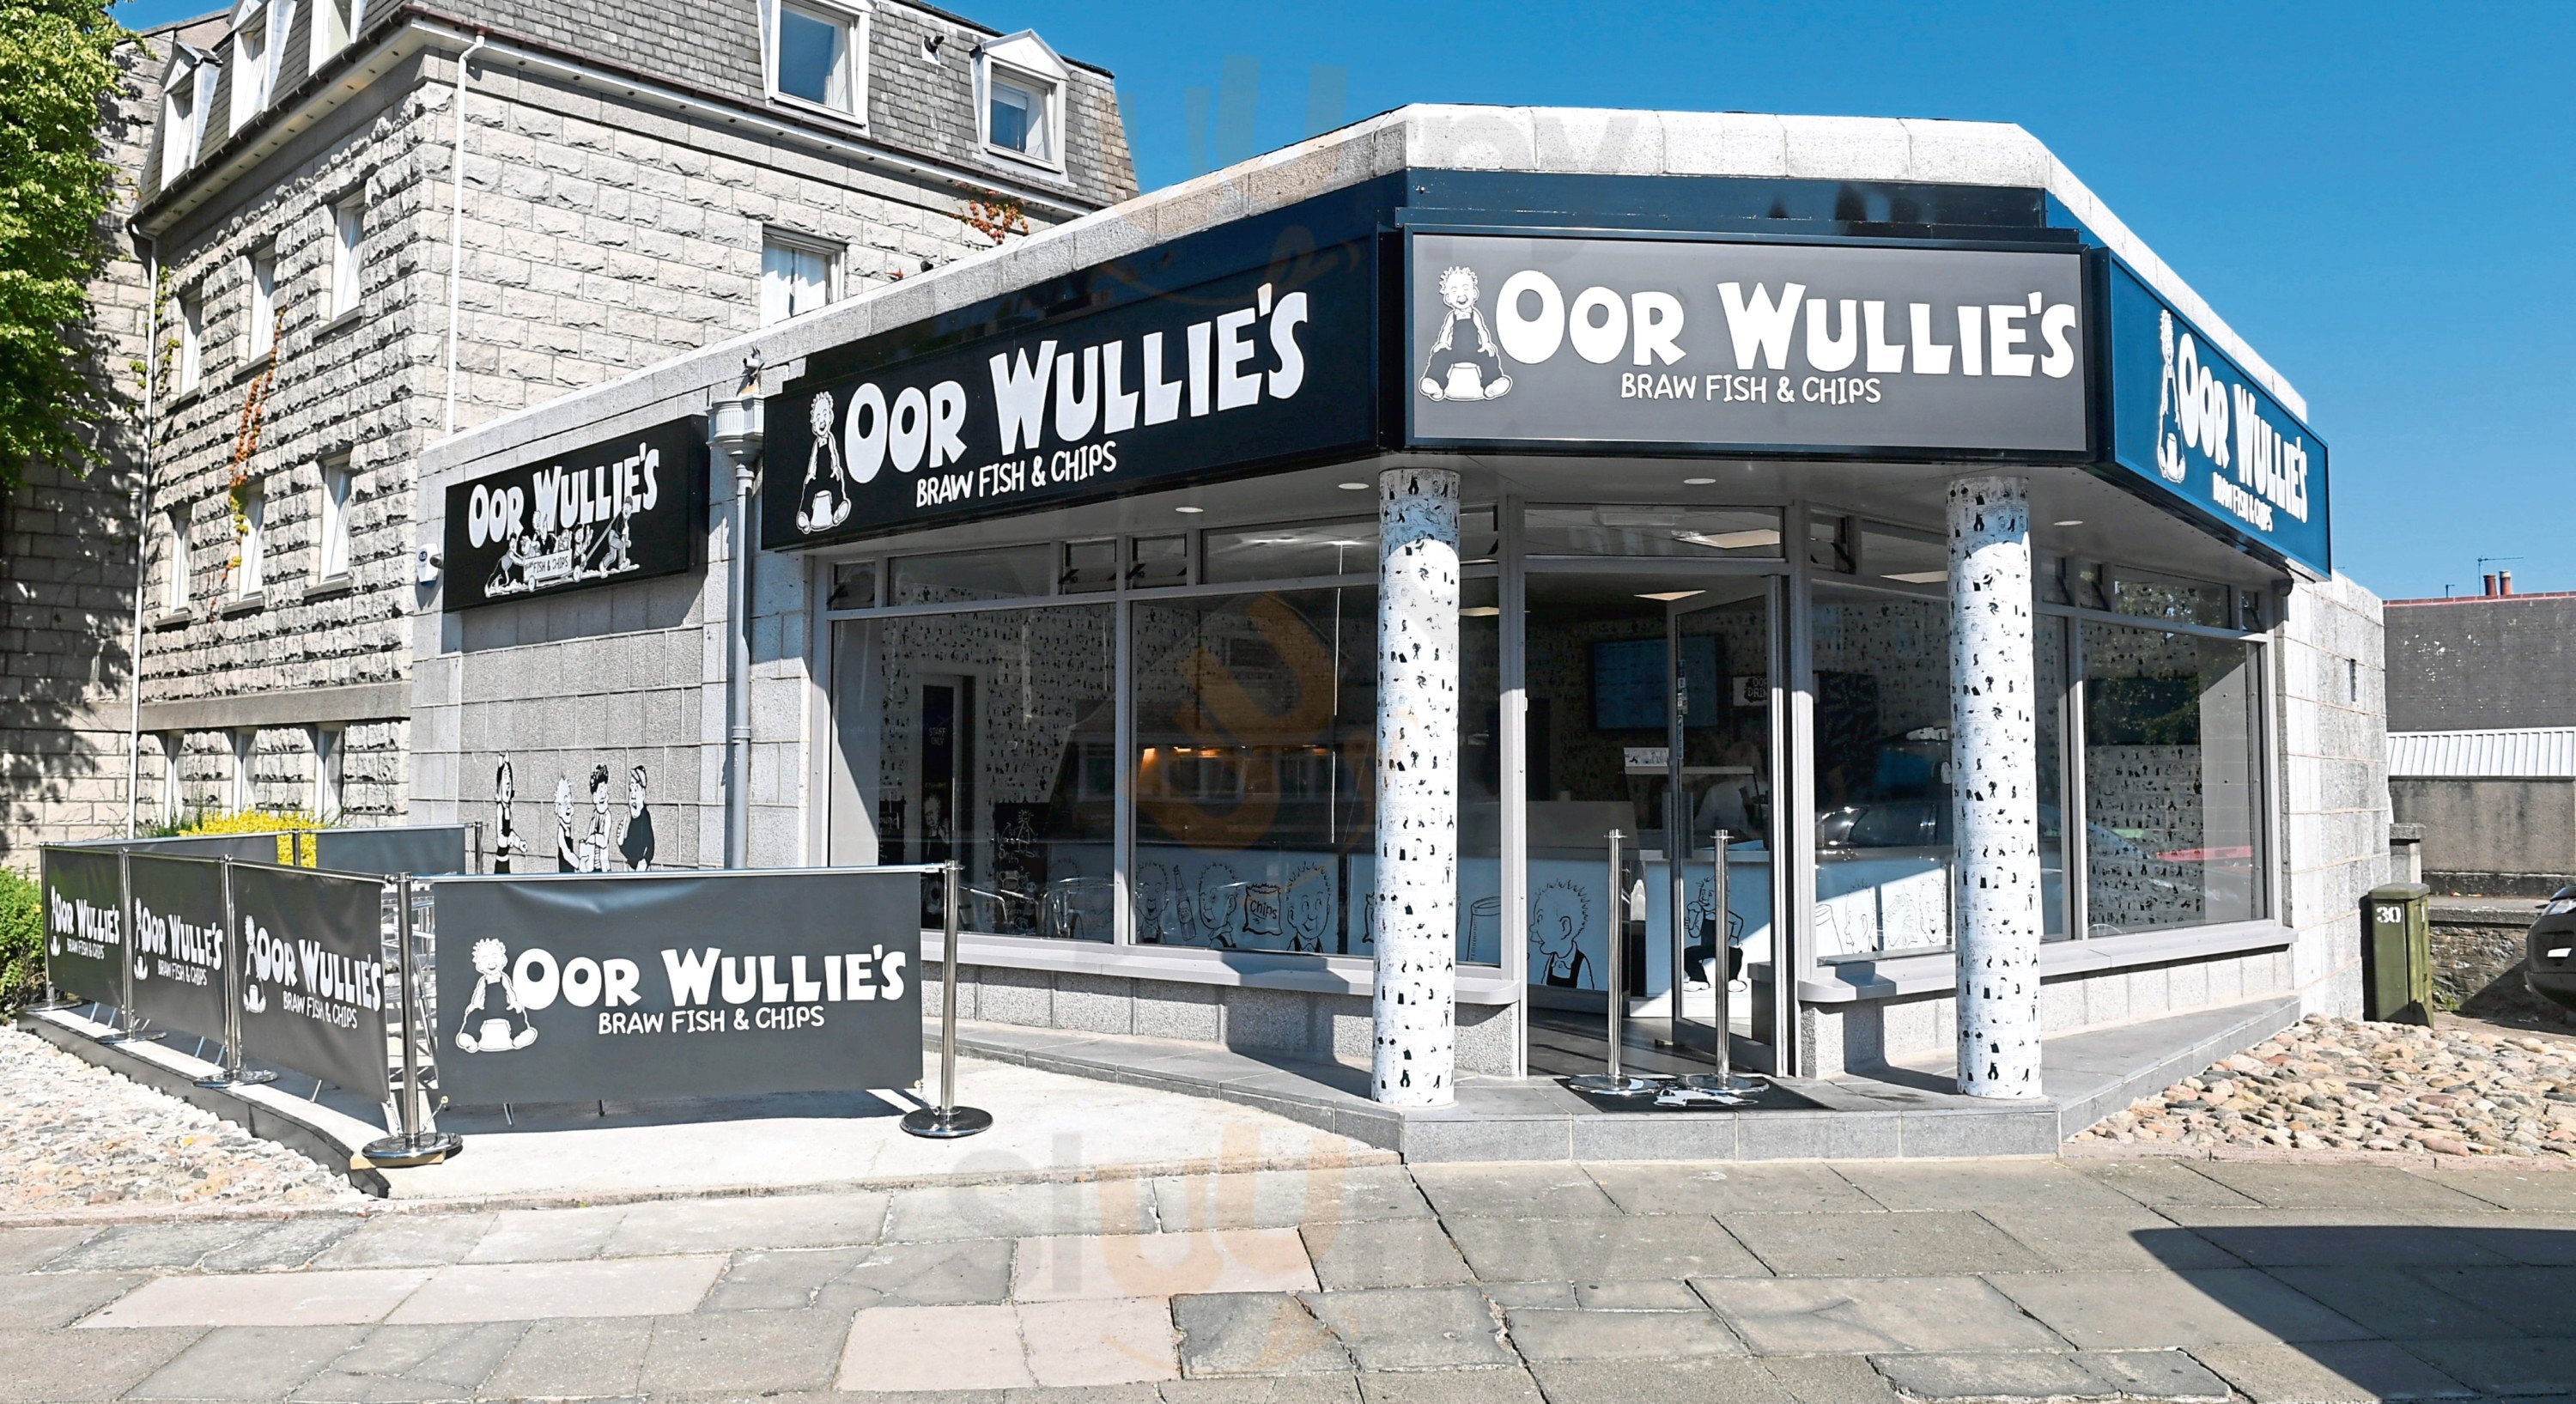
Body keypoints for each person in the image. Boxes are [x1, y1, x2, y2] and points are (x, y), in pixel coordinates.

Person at [617, 765, 654, 870]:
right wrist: (621, 842)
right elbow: (630, 850)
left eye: (636, 789)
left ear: (643, 794)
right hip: (632, 869)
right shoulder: (633, 822)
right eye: (631, 790)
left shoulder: (644, 819)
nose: (632, 795)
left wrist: (644, 861)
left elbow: (650, 845)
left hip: (640, 870)